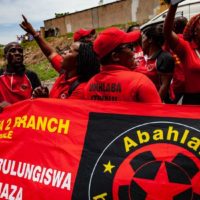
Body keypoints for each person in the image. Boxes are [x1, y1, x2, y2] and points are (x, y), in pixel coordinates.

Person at [20, 15, 100, 99]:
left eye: (92, 37)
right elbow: (51, 54)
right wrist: (33, 33)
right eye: (88, 38)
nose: (93, 40)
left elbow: (61, 111)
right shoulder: (65, 72)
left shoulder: (81, 89)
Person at [84, 27, 161, 103]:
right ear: (115, 56)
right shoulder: (140, 82)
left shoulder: (89, 85)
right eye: (129, 47)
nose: (133, 51)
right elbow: (158, 113)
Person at [163, 2, 200, 105]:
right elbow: (167, 32)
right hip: (194, 102)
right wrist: (173, 6)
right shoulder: (186, 47)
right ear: (195, 31)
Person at [134, 24, 175, 102]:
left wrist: (156, 104)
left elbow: (165, 85)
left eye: (143, 38)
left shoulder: (164, 58)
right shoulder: (142, 57)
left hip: (160, 103)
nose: (141, 41)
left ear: (150, 40)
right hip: (145, 101)